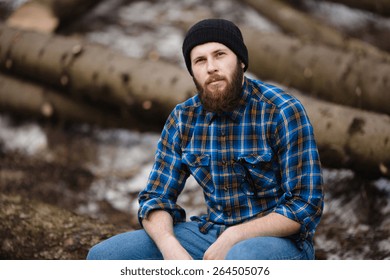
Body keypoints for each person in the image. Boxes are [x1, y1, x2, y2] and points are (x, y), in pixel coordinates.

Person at [87, 18, 324, 260]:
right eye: (200, 60)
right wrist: (170, 246)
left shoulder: (281, 111)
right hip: (210, 235)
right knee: (103, 257)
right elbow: (156, 198)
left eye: (219, 54)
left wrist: (234, 236)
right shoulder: (183, 119)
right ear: (192, 72)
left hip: (280, 243)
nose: (211, 67)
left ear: (241, 61)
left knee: (240, 258)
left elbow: (305, 205)